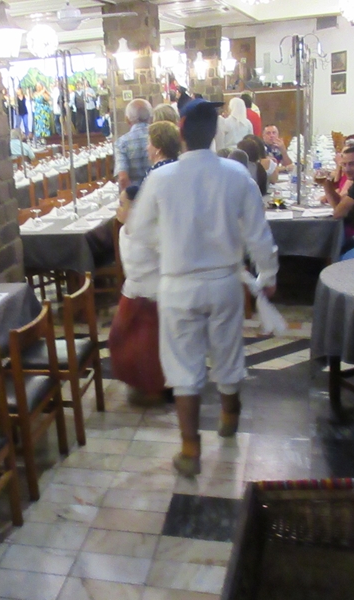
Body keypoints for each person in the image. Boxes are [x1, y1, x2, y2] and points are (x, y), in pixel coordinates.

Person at [128, 99, 279, 477]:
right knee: (228, 353)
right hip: (225, 281)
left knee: (184, 366)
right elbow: (259, 233)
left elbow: (137, 229)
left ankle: (190, 448)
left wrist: (170, 243)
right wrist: (268, 274)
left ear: (180, 131)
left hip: (179, 284)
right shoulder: (236, 174)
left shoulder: (161, 178)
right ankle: (229, 415)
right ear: (216, 131)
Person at [109, 184, 167, 401]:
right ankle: (138, 382)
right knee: (119, 338)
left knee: (148, 345)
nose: (118, 209)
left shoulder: (152, 231)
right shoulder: (123, 230)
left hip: (153, 295)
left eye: (122, 204)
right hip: (133, 292)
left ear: (135, 208)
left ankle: (157, 387)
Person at [114, 99, 153, 190]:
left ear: (127, 120)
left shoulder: (122, 142)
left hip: (134, 194)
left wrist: (130, 195)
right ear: (150, 118)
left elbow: (123, 178)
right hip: (156, 193)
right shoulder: (158, 136)